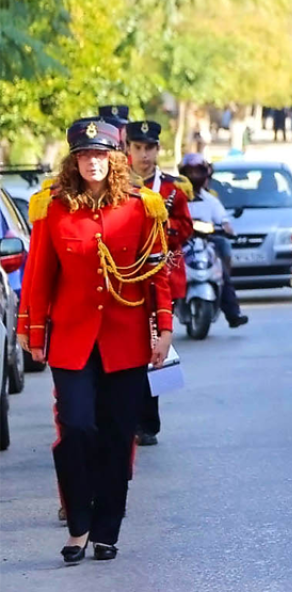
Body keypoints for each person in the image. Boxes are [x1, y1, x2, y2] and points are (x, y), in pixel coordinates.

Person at [18, 119, 173, 562]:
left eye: (101, 155)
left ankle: (107, 529)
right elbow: (39, 276)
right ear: (75, 160)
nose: (93, 163)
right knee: (77, 428)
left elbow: (156, 273)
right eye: (85, 155)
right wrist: (32, 331)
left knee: (117, 434)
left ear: (114, 157)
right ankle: (78, 523)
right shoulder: (54, 208)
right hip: (71, 339)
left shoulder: (143, 207)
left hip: (125, 340)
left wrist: (163, 329)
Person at [124, 119, 193, 448]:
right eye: (138, 148)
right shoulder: (118, 184)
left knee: (154, 348)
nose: (144, 155)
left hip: (162, 273)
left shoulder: (173, 188)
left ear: (157, 149)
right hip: (127, 277)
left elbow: (186, 226)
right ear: (128, 149)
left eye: (149, 148)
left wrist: (164, 231)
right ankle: (126, 415)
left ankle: (147, 422)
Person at [178, 153, 249, 328]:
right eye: (190, 172)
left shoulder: (211, 199)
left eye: (198, 172)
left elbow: (223, 220)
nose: (194, 176)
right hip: (178, 243)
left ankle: (233, 313)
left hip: (206, 243)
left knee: (222, 270)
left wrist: (227, 228)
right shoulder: (174, 197)